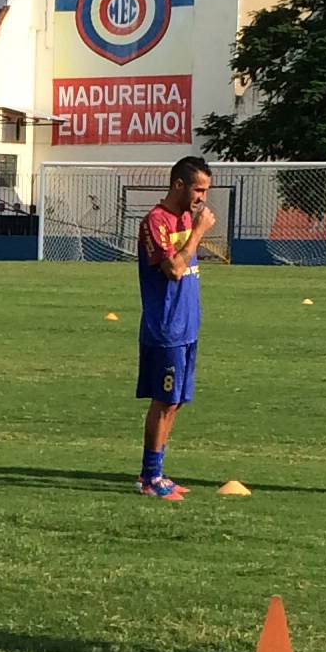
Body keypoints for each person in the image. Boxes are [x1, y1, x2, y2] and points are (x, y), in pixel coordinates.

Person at [134, 155, 214, 499]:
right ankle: (150, 478)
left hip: (187, 326)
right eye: (199, 189)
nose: (203, 198)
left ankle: (158, 472)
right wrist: (197, 233)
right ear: (179, 185)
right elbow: (174, 270)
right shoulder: (156, 221)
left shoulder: (183, 217)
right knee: (163, 401)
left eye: (206, 191)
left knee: (176, 401)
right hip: (165, 327)